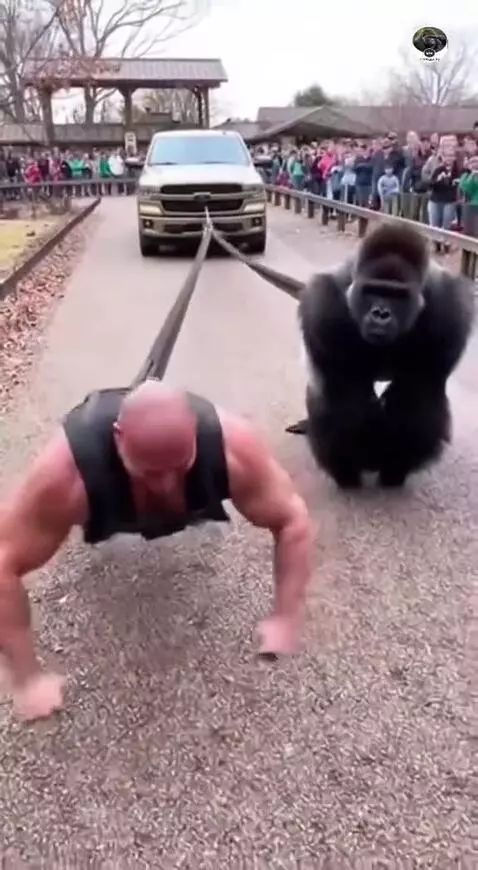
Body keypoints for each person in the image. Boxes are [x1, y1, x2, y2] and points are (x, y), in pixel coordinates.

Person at [0, 380, 313, 721]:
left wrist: (286, 616)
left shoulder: (232, 445)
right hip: (102, 496)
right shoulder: (66, 473)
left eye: (180, 467)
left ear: (194, 433)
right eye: (151, 472)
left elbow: (293, 520)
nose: (166, 484)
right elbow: (4, 564)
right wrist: (27, 680)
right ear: (118, 438)